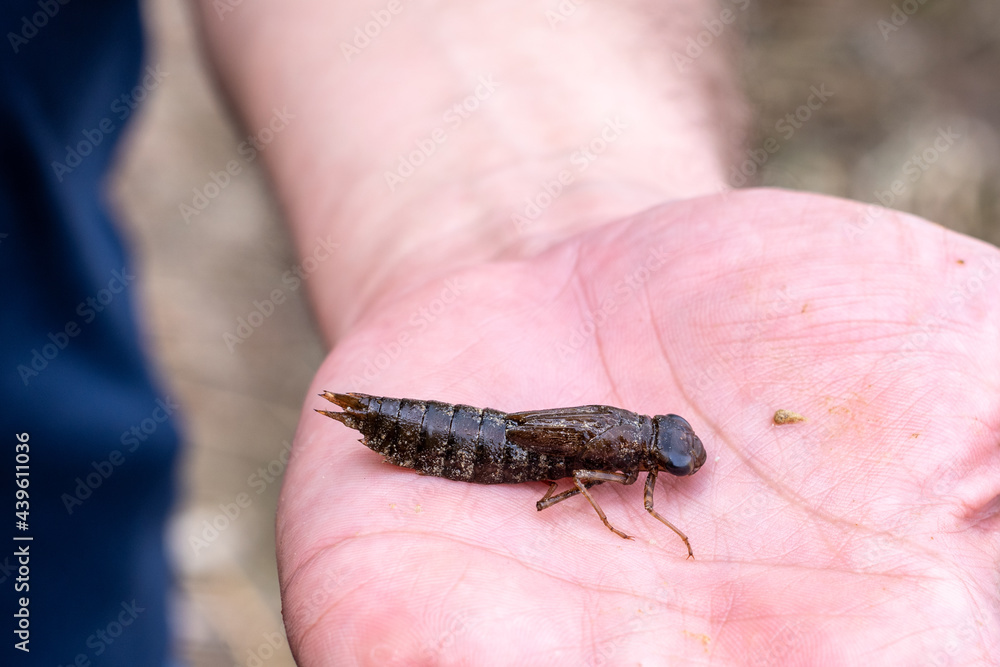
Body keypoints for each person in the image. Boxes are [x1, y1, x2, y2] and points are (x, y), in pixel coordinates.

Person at [5, 0, 999, 664]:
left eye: (661, 449)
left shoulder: (616, 447)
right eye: (659, 455)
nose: (663, 459)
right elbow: (572, 488)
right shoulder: (610, 465)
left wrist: (545, 217)